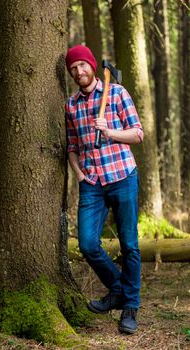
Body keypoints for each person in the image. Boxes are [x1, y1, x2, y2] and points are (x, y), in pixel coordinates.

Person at [65, 45, 144, 335]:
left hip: (122, 175)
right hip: (92, 183)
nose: (78, 72)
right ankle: (121, 290)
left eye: (82, 66)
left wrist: (109, 131)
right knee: (87, 243)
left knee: (130, 245)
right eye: (73, 69)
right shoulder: (71, 105)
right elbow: (72, 146)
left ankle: (130, 308)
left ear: (92, 66)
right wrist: (78, 174)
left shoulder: (117, 93)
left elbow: (137, 134)